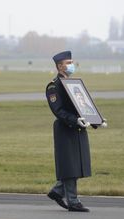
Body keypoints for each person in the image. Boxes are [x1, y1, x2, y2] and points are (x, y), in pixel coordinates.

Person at [45, 51, 106, 212]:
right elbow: (58, 110)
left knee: (78, 165)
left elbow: (82, 106)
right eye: (68, 62)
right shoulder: (54, 86)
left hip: (79, 128)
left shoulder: (73, 84)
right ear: (59, 66)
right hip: (65, 129)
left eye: (72, 62)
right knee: (69, 166)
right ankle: (73, 202)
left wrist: (96, 121)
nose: (71, 65)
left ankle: (57, 191)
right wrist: (74, 120)